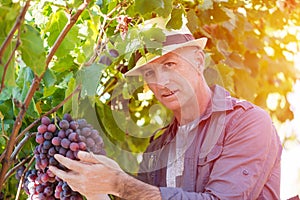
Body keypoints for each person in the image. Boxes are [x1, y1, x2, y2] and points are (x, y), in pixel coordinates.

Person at [49, 17, 282, 200]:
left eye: (170, 64)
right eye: (150, 73)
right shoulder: (158, 147)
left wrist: (119, 184)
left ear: (199, 61)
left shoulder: (247, 123)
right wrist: (99, 192)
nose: (161, 81)